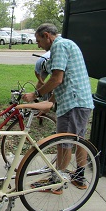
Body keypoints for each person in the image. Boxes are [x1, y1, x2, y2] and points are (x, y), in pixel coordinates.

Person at [22, 23, 94, 194]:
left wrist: (36, 94)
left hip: (72, 104)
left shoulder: (59, 46)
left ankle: (57, 182)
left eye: (39, 40)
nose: (38, 45)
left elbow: (56, 79)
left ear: (47, 35)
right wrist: (51, 103)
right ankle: (79, 177)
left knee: (64, 144)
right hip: (81, 102)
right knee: (78, 140)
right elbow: (65, 81)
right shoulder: (67, 44)